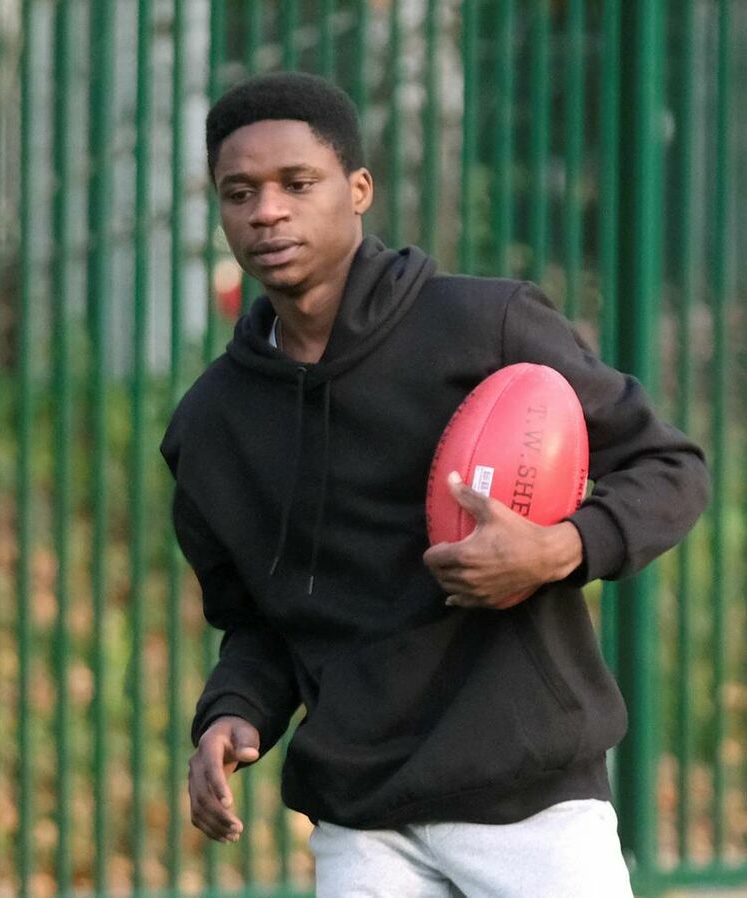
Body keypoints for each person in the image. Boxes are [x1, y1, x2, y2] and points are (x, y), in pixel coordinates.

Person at [160, 71, 709, 897]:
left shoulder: (483, 326)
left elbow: (670, 468)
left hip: (533, 806)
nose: (266, 210)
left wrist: (558, 548)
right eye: (240, 192)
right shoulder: (212, 428)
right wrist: (232, 715)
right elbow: (259, 625)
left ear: (358, 190)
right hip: (360, 821)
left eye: (296, 184)